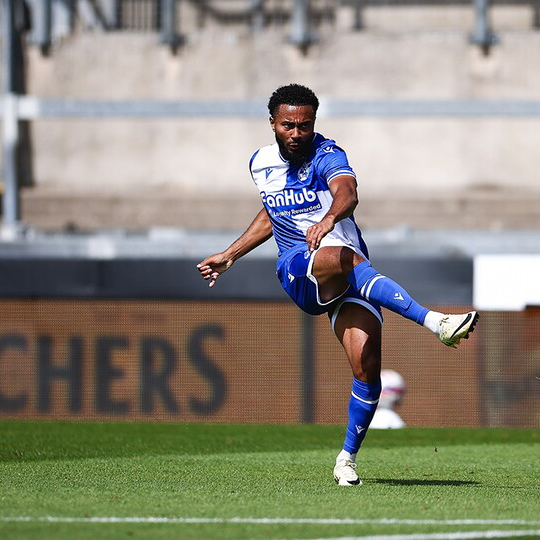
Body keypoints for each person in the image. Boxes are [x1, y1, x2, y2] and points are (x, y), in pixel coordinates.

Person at [197, 84, 478, 486]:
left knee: (367, 366)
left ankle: (346, 460)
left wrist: (329, 218)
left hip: (348, 276)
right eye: (288, 125)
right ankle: (435, 322)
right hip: (299, 268)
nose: (297, 133)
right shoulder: (260, 163)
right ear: (273, 123)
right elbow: (272, 213)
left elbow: (347, 193)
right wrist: (231, 253)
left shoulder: (328, 154)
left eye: (305, 125)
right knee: (341, 256)